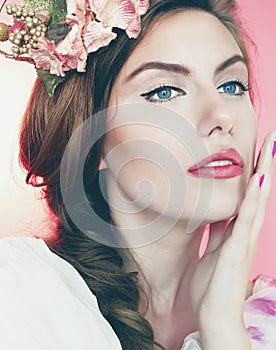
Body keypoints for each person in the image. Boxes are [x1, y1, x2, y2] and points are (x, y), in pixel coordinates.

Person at [0, 0, 276, 349]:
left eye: (233, 86)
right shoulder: (21, 295)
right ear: (93, 141)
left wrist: (223, 330)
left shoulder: (265, 322)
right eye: (165, 92)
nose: (222, 116)